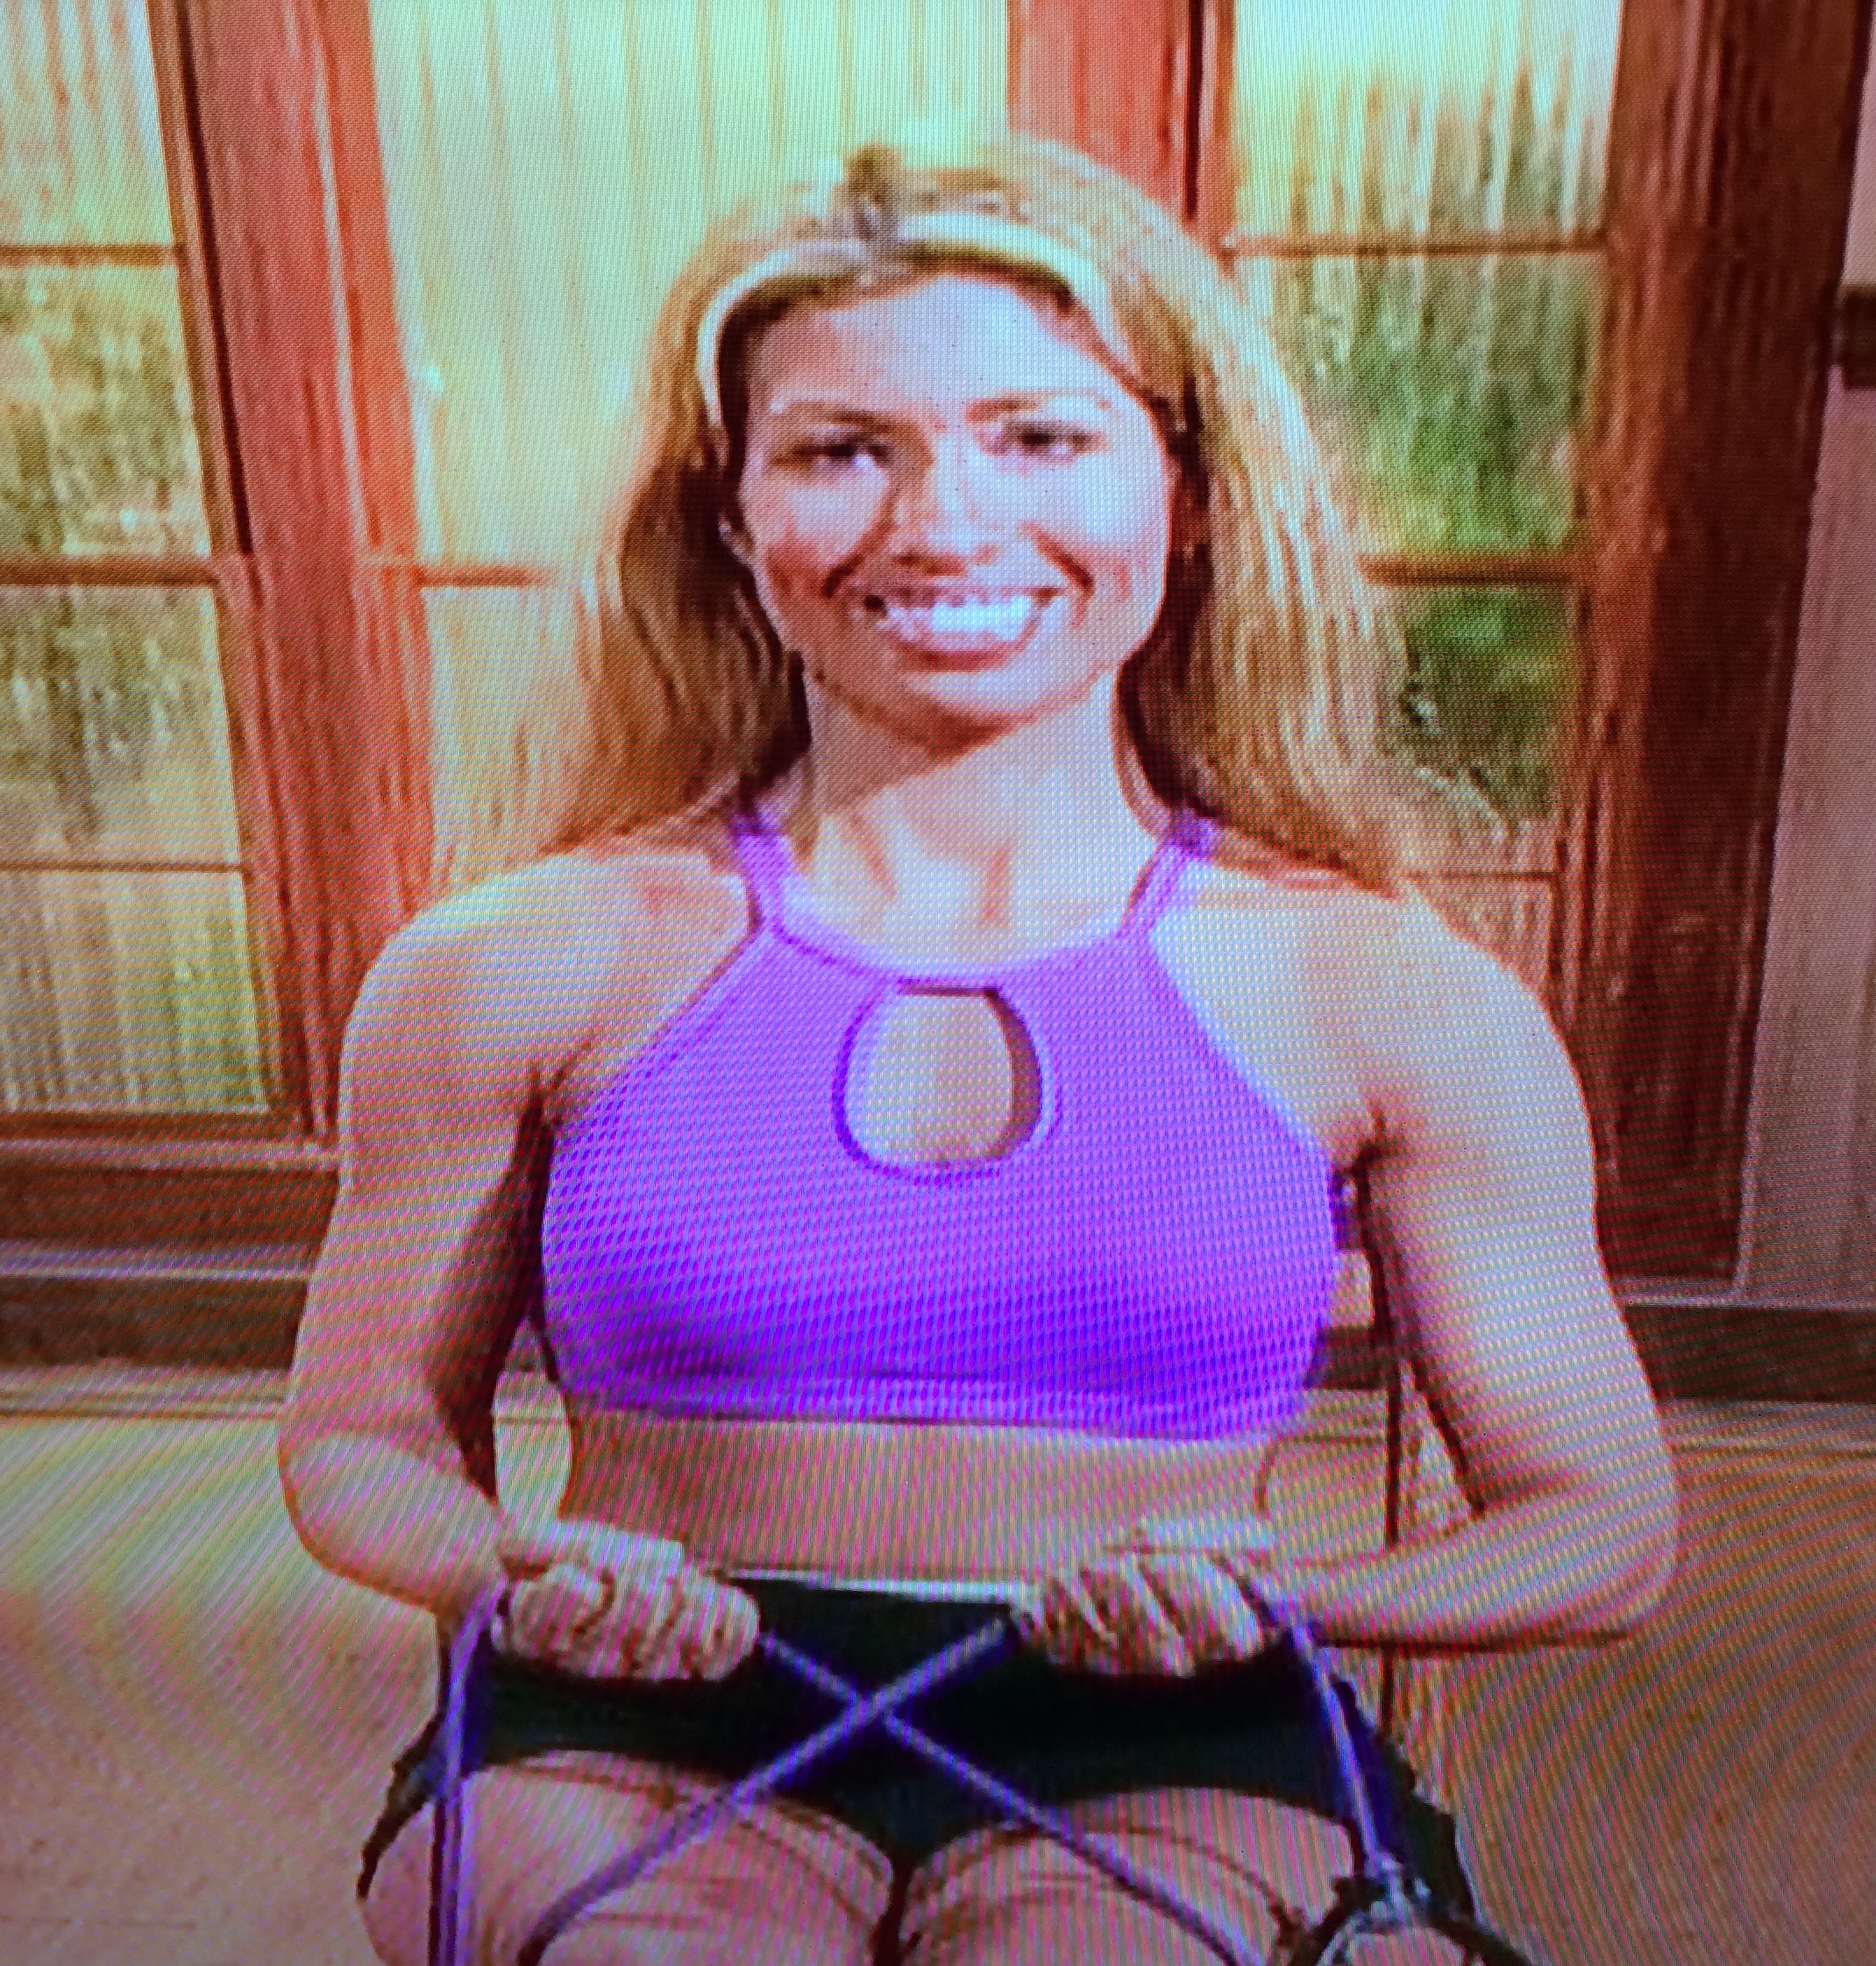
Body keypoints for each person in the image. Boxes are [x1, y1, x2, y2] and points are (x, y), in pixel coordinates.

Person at [281, 132, 1679, 1966]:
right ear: (732, 519)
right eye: (841, 451)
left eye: (1038, 438)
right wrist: (513, 1568)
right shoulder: (512, 967)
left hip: (1177, 1726)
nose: (942, 524)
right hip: (634, 1711)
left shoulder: (1390, 996)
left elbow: (1598, 1523)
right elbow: (361, 1437)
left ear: (1184, 494)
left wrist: (1290, 1597)